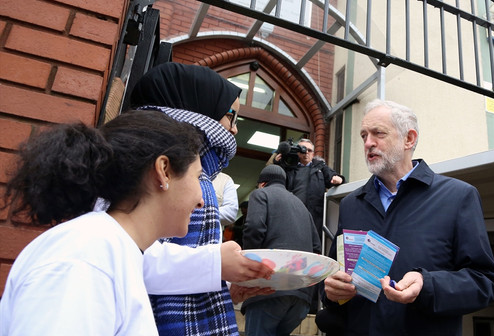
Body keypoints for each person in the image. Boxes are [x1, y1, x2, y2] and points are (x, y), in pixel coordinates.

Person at [0, 110, 204, 335]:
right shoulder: (86, 255)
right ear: (164, 170)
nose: (201, 201)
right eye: (197, 177)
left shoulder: (108, 250)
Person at [320, 99, 494, 336]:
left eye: (378, 133)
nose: (368, 143)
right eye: (363, 135)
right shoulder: (351, 204)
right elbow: (335, 276)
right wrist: (331, 292)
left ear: (409, 139)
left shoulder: (457, 197)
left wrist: (427, 285)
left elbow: (485, 282)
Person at [129, 62, 273, 336]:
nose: (234, 130)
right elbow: (132, 256)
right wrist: (215, 264)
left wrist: (224, 282)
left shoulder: (184, 164)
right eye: (232, 116)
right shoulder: (142, 163)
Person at [241, 165, 321, 336]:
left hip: (268, 289)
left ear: (262, 183)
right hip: (301, 296)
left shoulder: (261, 194)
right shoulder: (302, 206)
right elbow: (316, 248)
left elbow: (254, 228)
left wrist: (248, 267)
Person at [274, 138, 344, 242]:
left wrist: (339, 179)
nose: (306, 152)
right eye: (302, 149)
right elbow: (276, 182)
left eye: (309, 150)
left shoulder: (320, 167)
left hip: (314, 218)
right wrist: (278, 163)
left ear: (313, 153)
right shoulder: (289, 167)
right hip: (291, 214)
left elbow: (333, 177)